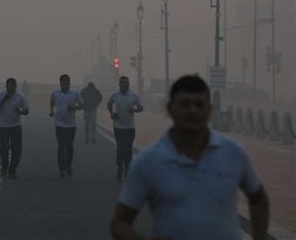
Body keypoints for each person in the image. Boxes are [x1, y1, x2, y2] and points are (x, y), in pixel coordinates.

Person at [110, 75, 269, 240]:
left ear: (209, 110)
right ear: (170, 109)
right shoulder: (148, 160)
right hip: (121, 127)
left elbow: (258, 199)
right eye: (185, 104)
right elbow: (120, 222)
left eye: (199, 104)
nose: (192, 110)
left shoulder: (233, 152)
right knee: (123, 149)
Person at [107, 76, 143, 181]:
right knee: (120, 149)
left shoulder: (133, 96)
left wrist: (135, 109)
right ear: (119, 84)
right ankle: (120, 168)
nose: (123, 84)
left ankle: (127, 168)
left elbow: (141, 107)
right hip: (118, 126)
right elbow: (109, 103)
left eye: (125, 83)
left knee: (128, 149)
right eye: (122, 83)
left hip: (130, 127)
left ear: (128, 84)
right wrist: (111, 114)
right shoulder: (115, 95)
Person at [0, 78, 29, 179]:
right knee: (4, 148)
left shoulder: (20, 96)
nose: (10, 90)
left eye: (12, 88)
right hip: (3, 126)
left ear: (15, 87)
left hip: (16, 126)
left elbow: (26, 110)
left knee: (16, 150)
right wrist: (4, 99)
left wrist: (20, 111)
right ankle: (4, 165)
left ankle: (12, 169)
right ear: (6, 86)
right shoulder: (1, 94)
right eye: (8, 88)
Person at [49, 74, 84, 178]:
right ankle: (61, 169)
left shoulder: (75, 93)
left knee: (69, 148)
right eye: (63, 83)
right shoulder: (55, 93)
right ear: (60, 83)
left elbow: (82, 105)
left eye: (67, 83)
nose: (65, 85)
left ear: (69, 83)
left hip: (71, 125)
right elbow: (52, 102)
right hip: (59, 124)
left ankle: (68, 166)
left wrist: (75, 107)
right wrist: (51, 111)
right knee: (61, 147)